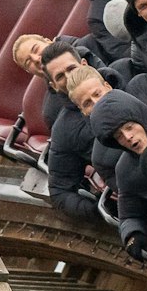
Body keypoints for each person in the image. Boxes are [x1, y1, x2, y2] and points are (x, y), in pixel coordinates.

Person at [87, 86, 147, 260]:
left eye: (130, 127)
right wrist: (133, 234)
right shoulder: (125, 170)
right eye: (119, 136)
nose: (128, 137)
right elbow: (130, 213)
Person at [45, 64, 121, 223]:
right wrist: (97, 211)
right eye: (87, 103)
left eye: (72, 69)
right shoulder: (100, 157)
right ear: (82, 109)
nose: (69, 77)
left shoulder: (134, 80)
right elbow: (59, 190)